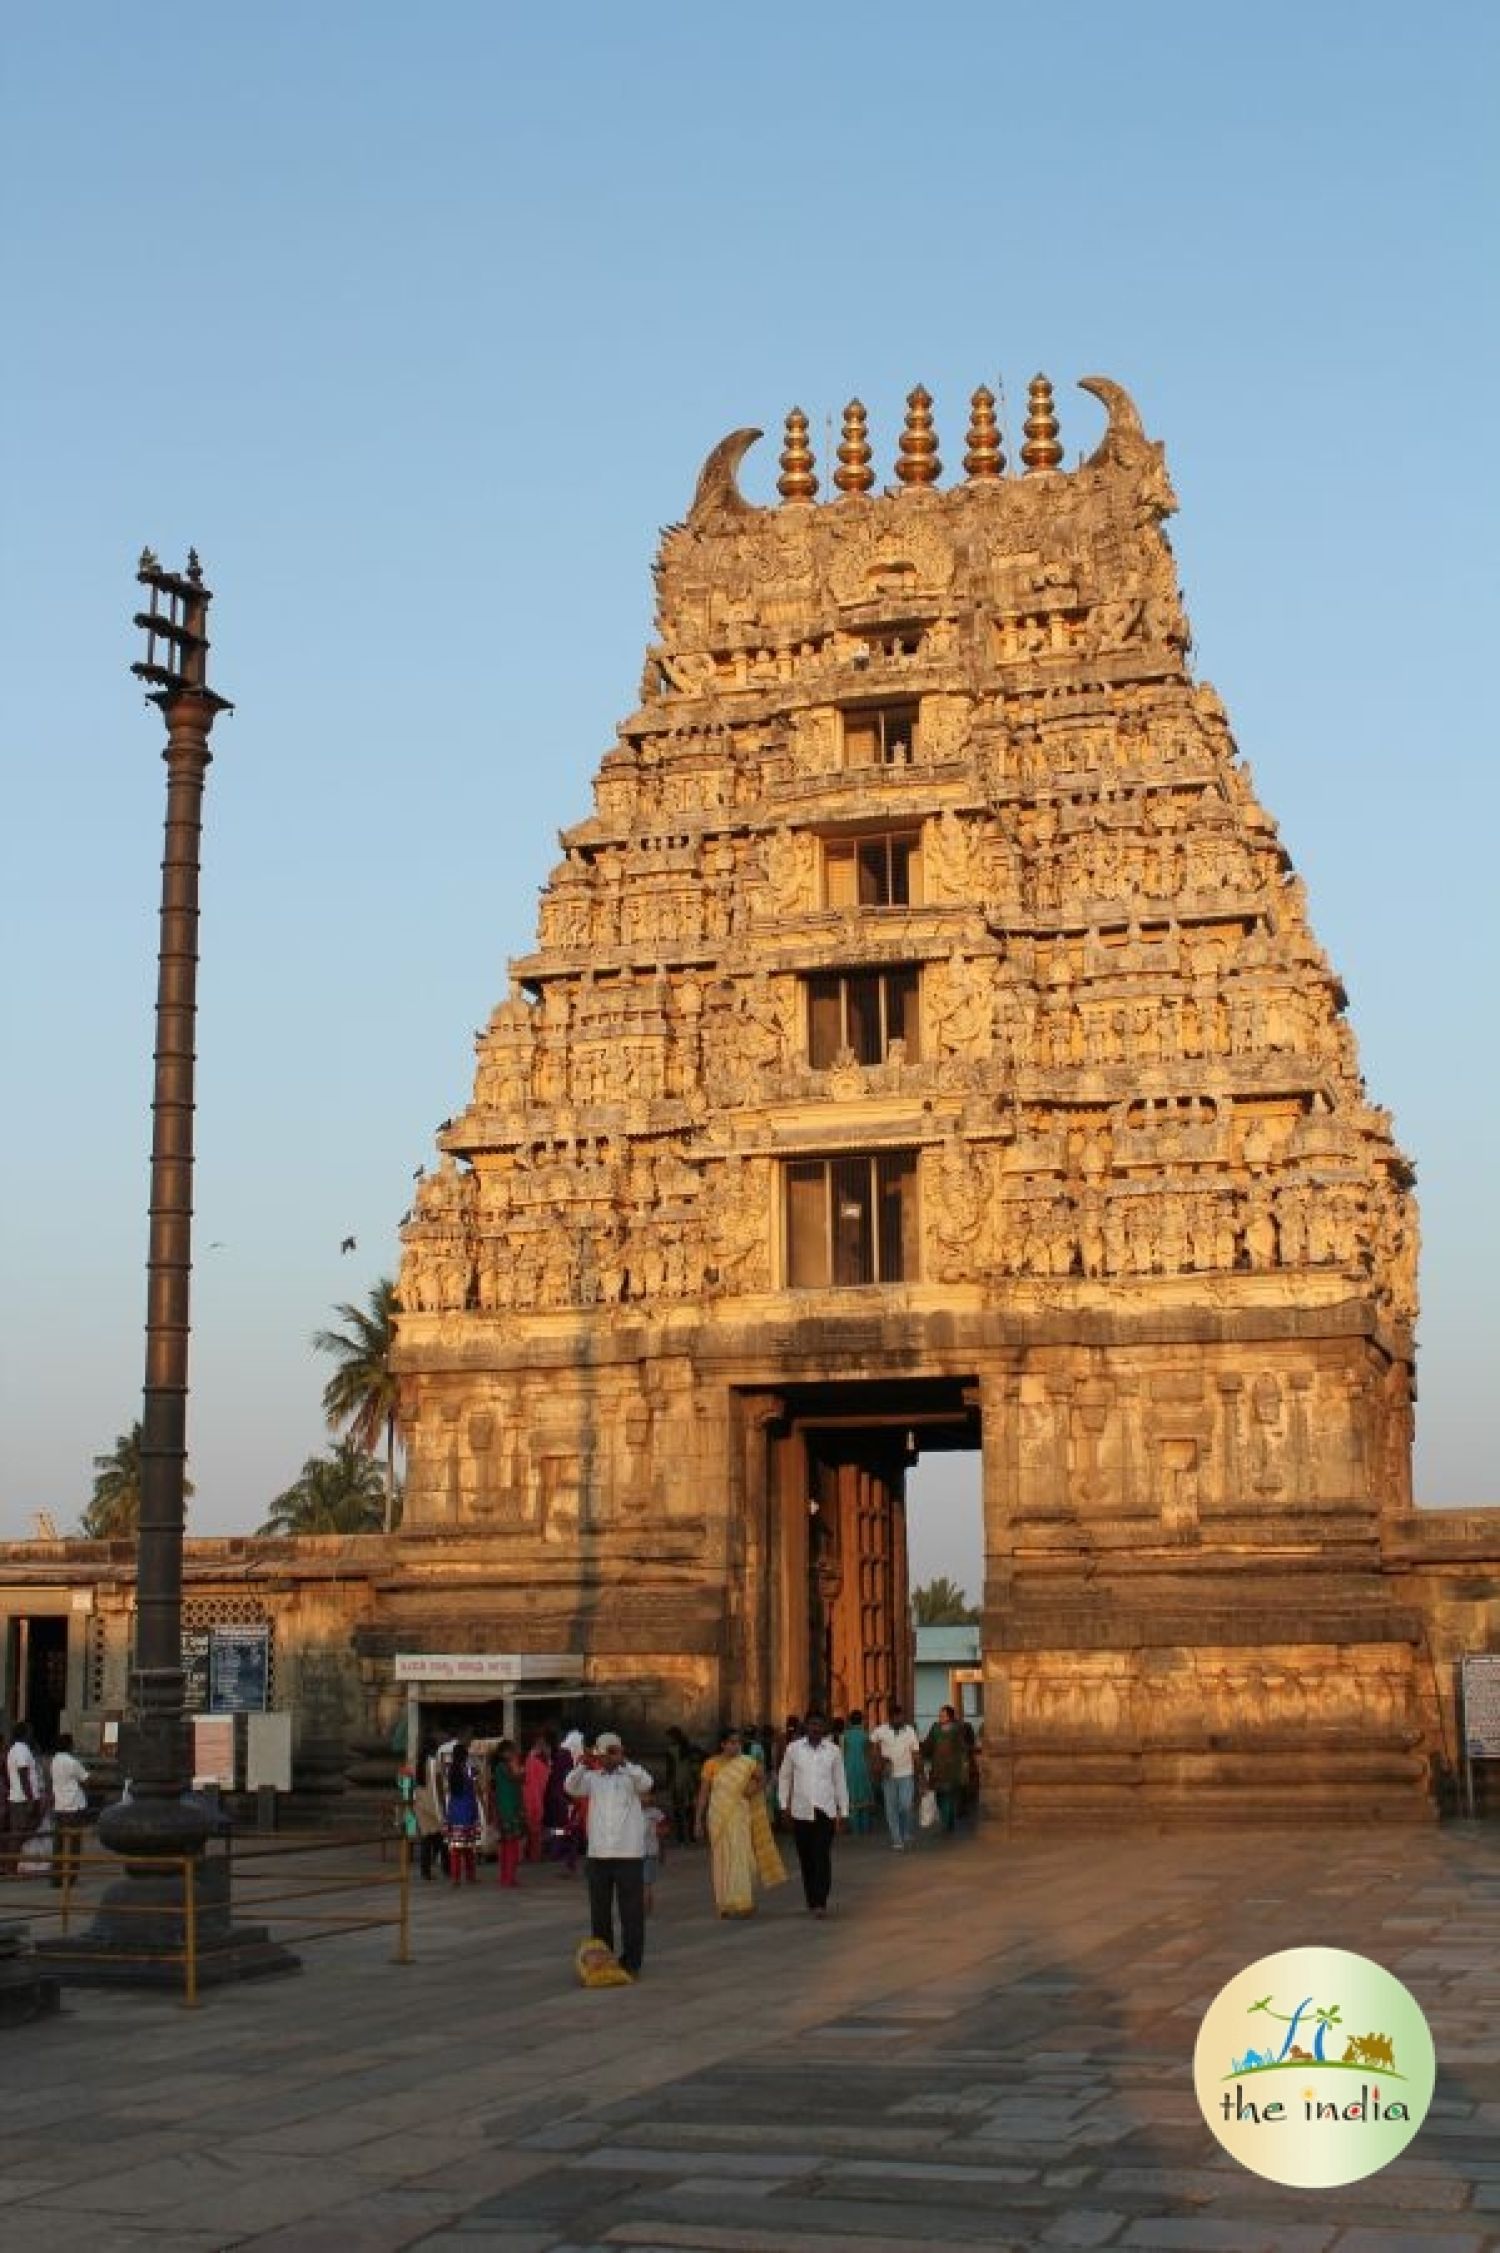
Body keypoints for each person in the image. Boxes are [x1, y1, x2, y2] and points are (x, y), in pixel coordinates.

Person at [565, 1730, 654, 1979]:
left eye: (612, 1753)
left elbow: (647, 1783)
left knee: (631, 1913)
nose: (607, 1758)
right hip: (599, 1855)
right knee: (600, 1913)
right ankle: (604, 1958)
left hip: (628, 1854)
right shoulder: (593, 1779)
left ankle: (632, 1962)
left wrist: (624, 1762)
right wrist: (582, 1764)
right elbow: (570, 1786)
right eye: (604, 1754)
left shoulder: (631, 1776)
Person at [695, 1725, 786, 1918]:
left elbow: (764, 1779)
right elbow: (703, 1793)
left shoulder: (749, 1762)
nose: (735, 1746)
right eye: (731, 1743)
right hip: (717, 1816)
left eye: (738, 1743)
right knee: (721, 1858)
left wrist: (753, 1790)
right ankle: (725, 1903)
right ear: (723, 1744)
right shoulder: (710, 1764)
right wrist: (698, 1821)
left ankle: (743, 1901)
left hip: (740, 1814)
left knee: (741, 1856)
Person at [776, 1711, 848, 1917]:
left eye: (819, 1724)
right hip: (801, 1811)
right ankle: (811, 1898)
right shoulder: (794, 1750)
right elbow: (785, 1778)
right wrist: (783, 1806)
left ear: (825, 1727)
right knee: (806, 1858)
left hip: (825, 1811)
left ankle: (821, 1902)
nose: (815, 1728)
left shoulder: (833, 1751)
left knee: (821, 1856)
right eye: (812, 1724)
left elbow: (839, 1781)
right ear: (806, 1726)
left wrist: (843, 1811)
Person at [869, 1701, 922, 1851]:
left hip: (906, 1774)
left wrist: (921, 1774)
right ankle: (896, 1838)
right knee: (891, 1807)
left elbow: (916, 1753)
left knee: (906, 1805)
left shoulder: (910, 1731)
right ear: (890, 1718)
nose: (899, 1720)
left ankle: (905, 1831)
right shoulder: (881, 1730)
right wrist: (878, 1758)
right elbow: (872, 1742)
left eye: (901, 1717)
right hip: (889, 1775)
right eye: (896, 1718)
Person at [48, 1732, 89, 1890]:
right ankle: (70, 1877)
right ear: (69, 1745)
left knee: (59, 1844)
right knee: (73, 1844)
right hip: (73, 1806)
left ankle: (57, 1877)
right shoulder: (72, 1762)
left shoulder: (54, 1761)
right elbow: (86, 1779)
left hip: (60, 1806)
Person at [441, 1733, 482, 1885]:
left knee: (456, 1848)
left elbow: (447, 1789)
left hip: (454, 1811)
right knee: (469, 1847)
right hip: (468, 1810)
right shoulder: (470, 1770)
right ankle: (470, 1875)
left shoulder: (449, 1770)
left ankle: (455, 1877)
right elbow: (477, 1787)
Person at [2, 1723, 41, 1876]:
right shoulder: (21, 1750)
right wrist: (31, 1798)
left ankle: (11, 1864)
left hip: (20, 1797)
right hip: (22, 1799)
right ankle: (11, 1866)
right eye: (29, 1732)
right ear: (25, 1734)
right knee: (18, 1834)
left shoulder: (16, 1749)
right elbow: (23, 1775)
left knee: (20, 1833)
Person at [923, 1704, 967, 1833]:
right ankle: (947, 1821)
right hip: (937, 1767)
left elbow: (962, 1749)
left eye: (943, 1715)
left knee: (948, 1796)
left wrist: (964, 1768)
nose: (940, 1717)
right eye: (940, 1715)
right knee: (939, 1796)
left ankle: (947, 1824)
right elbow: (928, 1744)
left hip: (952, 1768)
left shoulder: (957, 1729)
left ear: (950, 1717)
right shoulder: (935, 1728)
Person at [490, 1739, 526, 1888]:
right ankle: (509, 1877)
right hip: (508, 1810)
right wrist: (520, 1769)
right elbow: (518, 1778)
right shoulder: (504, 1767)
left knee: (506, 1846)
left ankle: (506, 1876)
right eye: (512, 1750)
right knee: (510, 1846)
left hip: (507, 1809)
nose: (514, 1753)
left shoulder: (501, 1767)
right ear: (504, 1753)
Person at [840, 1708, 877, 1835]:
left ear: (850, 1721)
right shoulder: (866, 1735)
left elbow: (843, 1754)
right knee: (865, 1799)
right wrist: (871, 1770)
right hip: (863, 1769)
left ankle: (855, 1830)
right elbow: (869, 1755)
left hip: (848, 1769)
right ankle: (865, 1829)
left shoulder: (845, 1736)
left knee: (852, 1799)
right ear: (861, 1721)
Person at [662, 1726, 701, 1846]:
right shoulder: (690, 1748)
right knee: (690, 1811)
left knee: (678, 1812)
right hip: (689, 1783)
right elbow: (697, 1764)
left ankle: (681, 1839)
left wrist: (668, 1785)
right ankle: (691, 1837)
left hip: (677, 1784)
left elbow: (670, 1769)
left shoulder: (671, 1750)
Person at [523, 1730, 552, 1861]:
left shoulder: (535, 1758)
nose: (541, 1744)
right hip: (532, 1795)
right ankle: (533, 1854)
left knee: (534, 1828)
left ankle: (533, 1854)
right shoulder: (533, 1758)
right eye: (539, 1742)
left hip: (535, 1795)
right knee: (533, 1828)